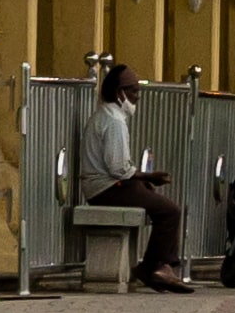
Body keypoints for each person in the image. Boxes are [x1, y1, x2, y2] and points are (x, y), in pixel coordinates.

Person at [79, 53, 191, 294]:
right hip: (106, 189)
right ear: (120, 93)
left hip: (106, 186)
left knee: (155, 200)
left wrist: (144, 181)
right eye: (134, 91)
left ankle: (162, 265)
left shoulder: (107, 115)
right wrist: (148, 176)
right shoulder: (114, 121)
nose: (137, 97)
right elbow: (118, 168)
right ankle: (153, 268)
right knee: (170, 211)